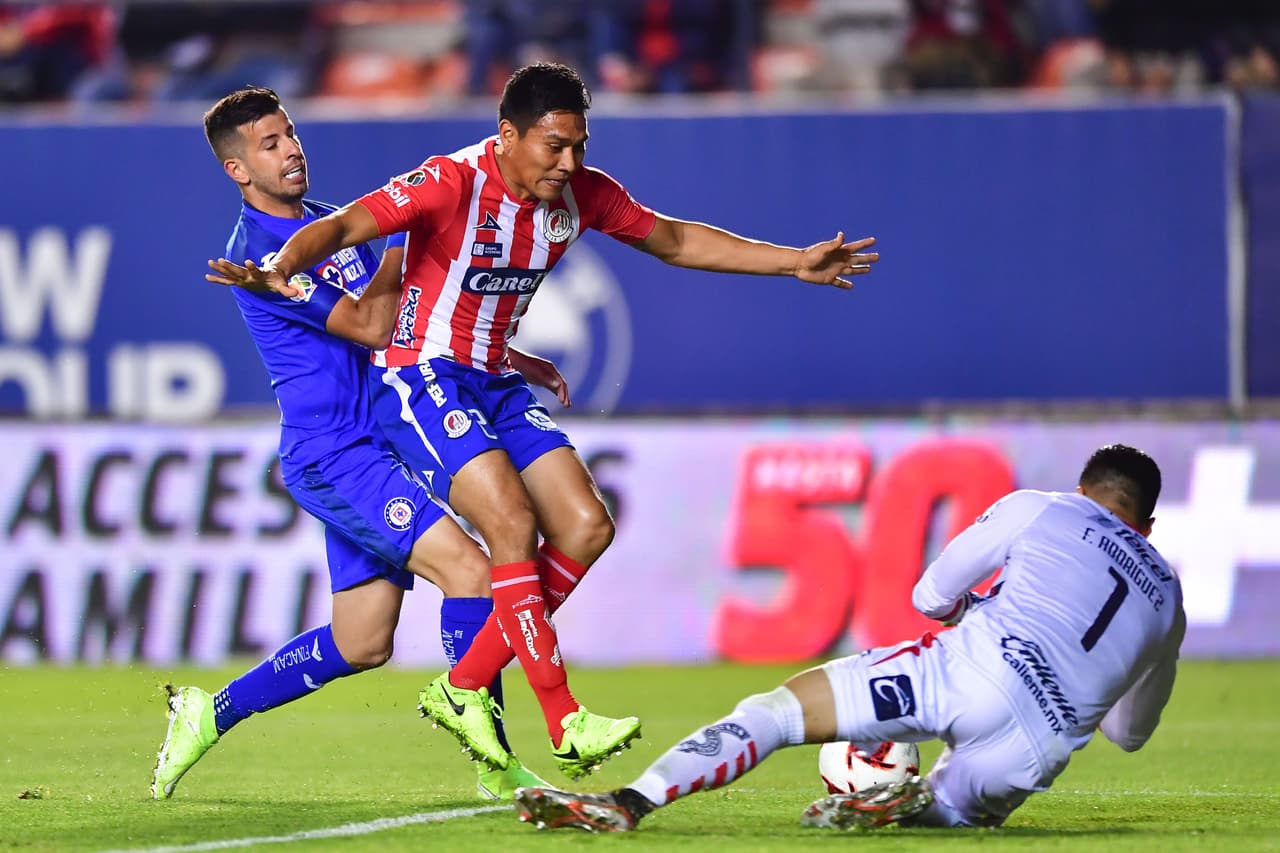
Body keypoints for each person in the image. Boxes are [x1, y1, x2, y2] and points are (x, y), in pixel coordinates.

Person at [209, 62, 881, 781]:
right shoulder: (451, 180)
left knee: (587, 524)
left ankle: (464, 681)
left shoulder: (582, 195)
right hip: (422, 376)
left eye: (579, 146)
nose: (570, 163)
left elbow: (676, 241)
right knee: (508, 524)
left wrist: (792, 263)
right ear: (507, 136)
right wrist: (285, 260)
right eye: (554, 146)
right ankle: (564, 718)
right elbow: (346, 229)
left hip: (490, 375)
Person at [152, 86, 570, 803]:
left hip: (375, 446)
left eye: (291, 135)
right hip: (336, 453)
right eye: (271, 144)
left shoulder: (324, 222)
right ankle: (496, 767)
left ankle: (208, 710)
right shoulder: (260, 252)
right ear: (237, 170)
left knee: (363, 640)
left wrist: (508, 354)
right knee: (473, 571)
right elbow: (374, 325)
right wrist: (414, 232)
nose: (291, 150)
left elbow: (411, 317)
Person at [512, 444, 1186, 832]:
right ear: (1147, 526)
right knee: (948, 812)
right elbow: (1128, 733)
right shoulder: (1169, 598)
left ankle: (631, 801)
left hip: (970, 667)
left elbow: (930, 594)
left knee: (774, 712)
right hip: (1034, 748)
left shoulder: (1044, 506)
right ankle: (915, 802)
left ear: (1083, 487)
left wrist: (972, 613)